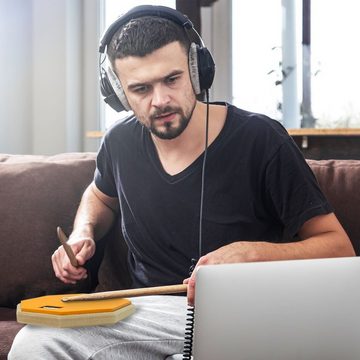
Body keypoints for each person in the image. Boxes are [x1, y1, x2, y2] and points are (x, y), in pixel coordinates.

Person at [9, 5, 354, 360]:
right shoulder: (119, 143)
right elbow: (100, 195)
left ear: (196, 70)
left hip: (240, 314)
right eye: (141, 89)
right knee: (37, 341)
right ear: (118, 92)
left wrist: (252, 253)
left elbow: (338, 248)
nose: (160, 101)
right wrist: (83, 231)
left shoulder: (261, 139)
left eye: (171, 80)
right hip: (147, 314)